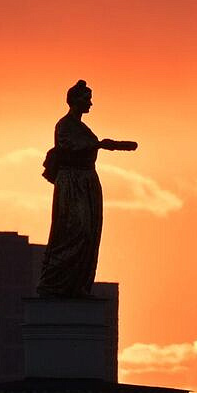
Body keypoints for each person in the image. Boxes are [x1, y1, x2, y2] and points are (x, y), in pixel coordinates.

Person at [38, 80, 136, 298]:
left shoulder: (82, 127)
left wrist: (102, 144)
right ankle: (56, 283)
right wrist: (99, 144)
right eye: (87, 99)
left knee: (89, 233)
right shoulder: (64, 125)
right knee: (75, 229)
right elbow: (69, 146)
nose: (90, 103)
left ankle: (78, 284)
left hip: (87, 181)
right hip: (73, 182)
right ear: (75, 100)